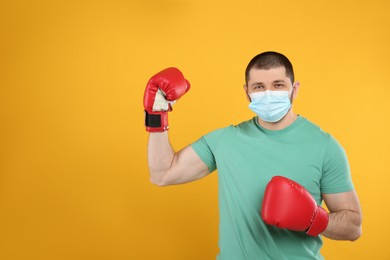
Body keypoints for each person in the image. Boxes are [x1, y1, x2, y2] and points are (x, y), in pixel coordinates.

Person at [143, 51, 362, 259]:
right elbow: (163, 174)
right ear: (247, 91)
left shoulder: (324, 146)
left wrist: (315, 219)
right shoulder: (225, 140)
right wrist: (157, 112)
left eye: (278, 85)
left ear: (294, 89)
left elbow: (353, 226)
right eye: (259, 86)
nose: (268, 93)